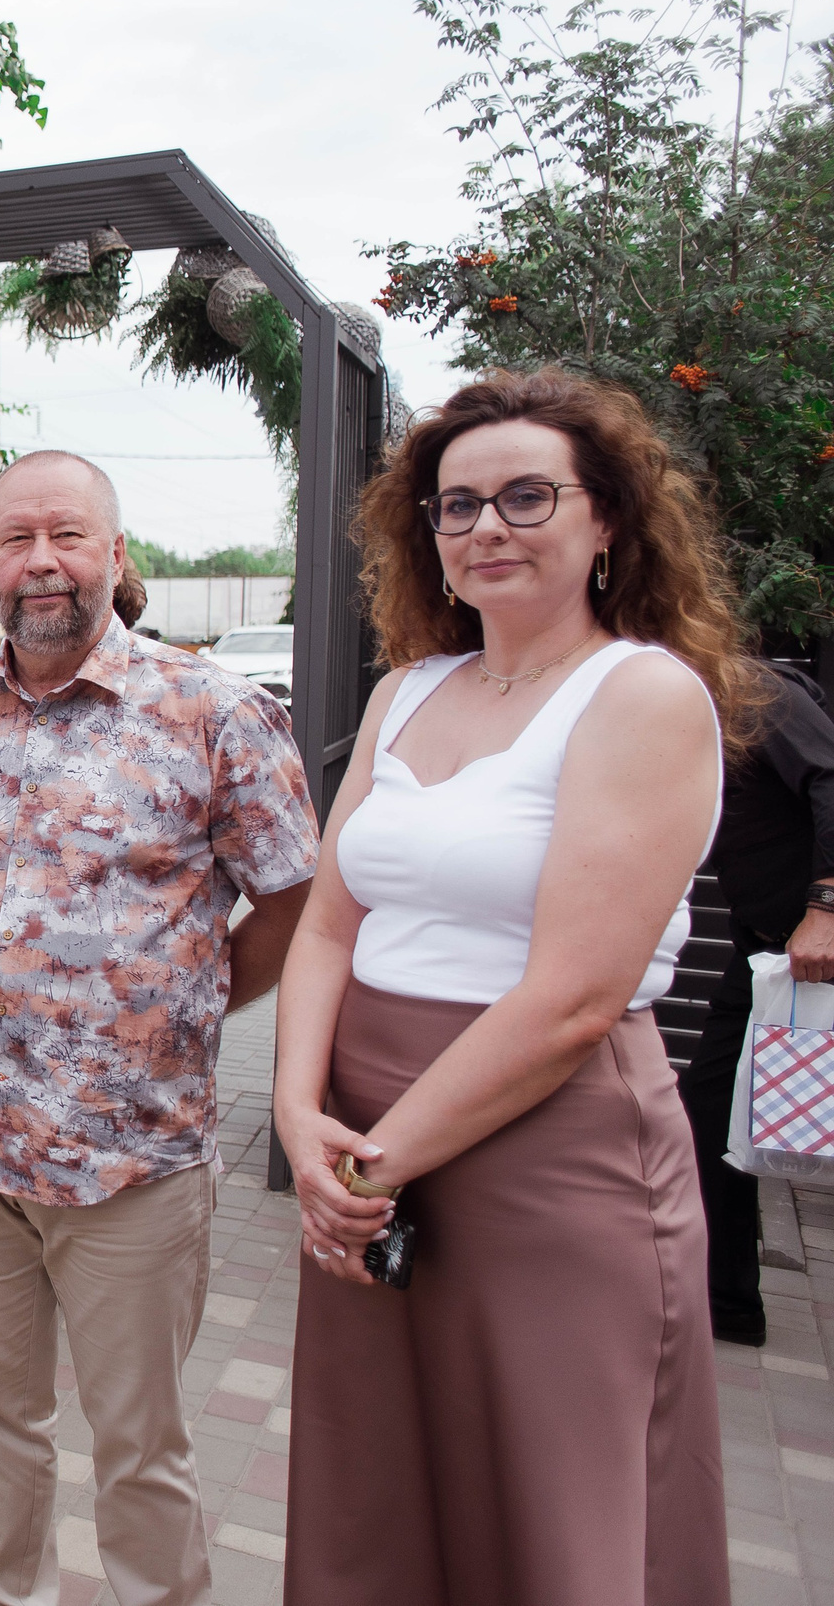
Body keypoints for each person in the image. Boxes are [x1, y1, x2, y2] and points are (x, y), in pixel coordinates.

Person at [274, 368, 749, 1605]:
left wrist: (366, 1171)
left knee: (550, 1496)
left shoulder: (641, 694)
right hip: (366, 1145)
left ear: (606, 521)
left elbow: (574, 999)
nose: (486, 525)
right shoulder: (406, 691)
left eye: (527, 495)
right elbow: (327, 922)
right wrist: (295, 1116)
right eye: (455, 504)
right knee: (378, 1485)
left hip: (548, 1148)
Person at [0, 449, 318, 1606]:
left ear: (118, 557)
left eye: (67, 535)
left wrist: (188, 1004)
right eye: (15, 539)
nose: (40, 561)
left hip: (135, 1159)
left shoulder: (213, 711)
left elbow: (297, 899)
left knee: (141, 1445)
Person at [681, 664, 834, 1347]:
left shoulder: (752, 690)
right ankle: (726, 1303)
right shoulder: (668, 706)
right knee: (709, 1108)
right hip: (764, 952)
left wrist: (826, 905)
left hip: (811, 942)